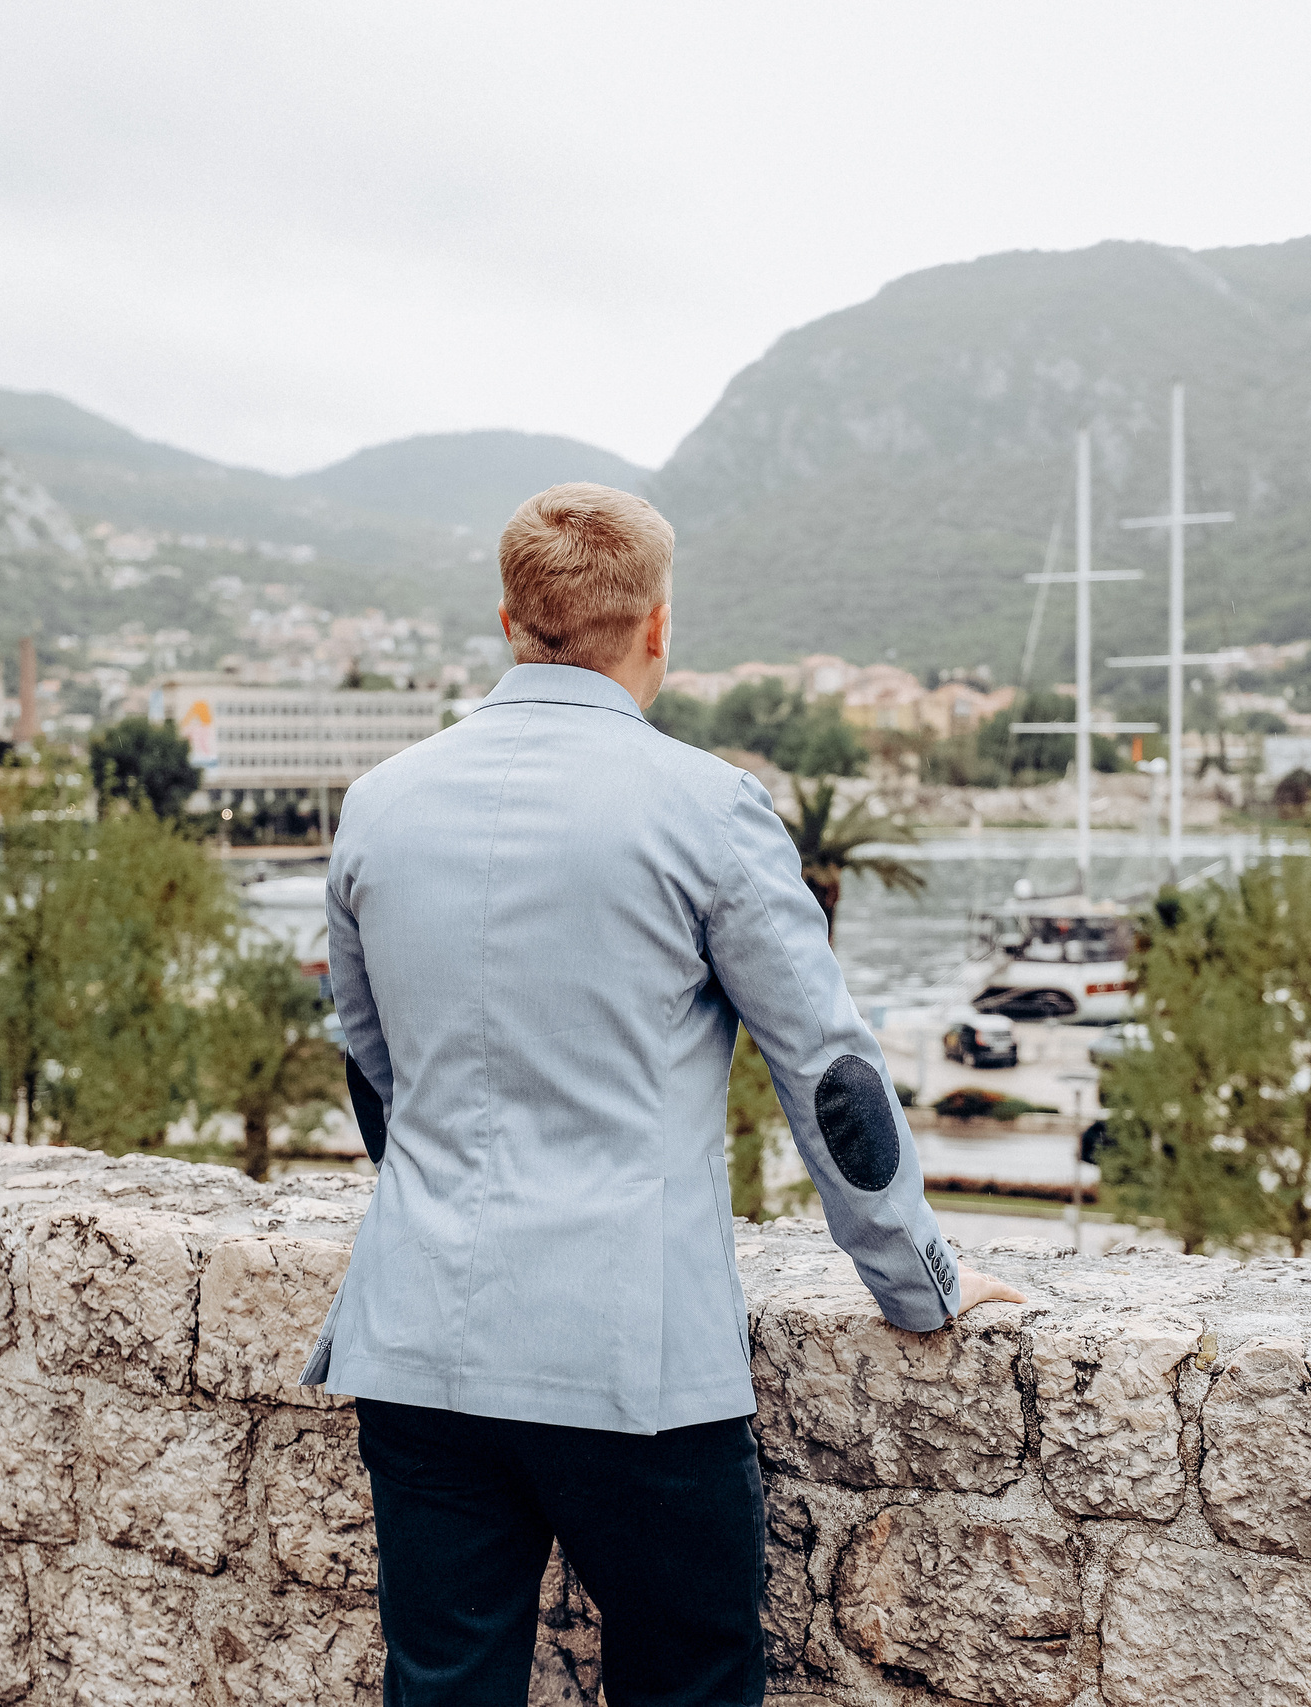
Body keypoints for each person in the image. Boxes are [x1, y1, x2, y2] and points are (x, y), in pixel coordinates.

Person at [300, 481, 1023, 1703]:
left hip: (416, 1341)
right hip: (630, 1361)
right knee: (686, 1683)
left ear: (509, 622)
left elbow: (374, 1065)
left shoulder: (379, 803)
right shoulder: (708, 808)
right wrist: (919, 1280)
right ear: (657, 627)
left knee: (441, 1685)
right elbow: (831, 1077)